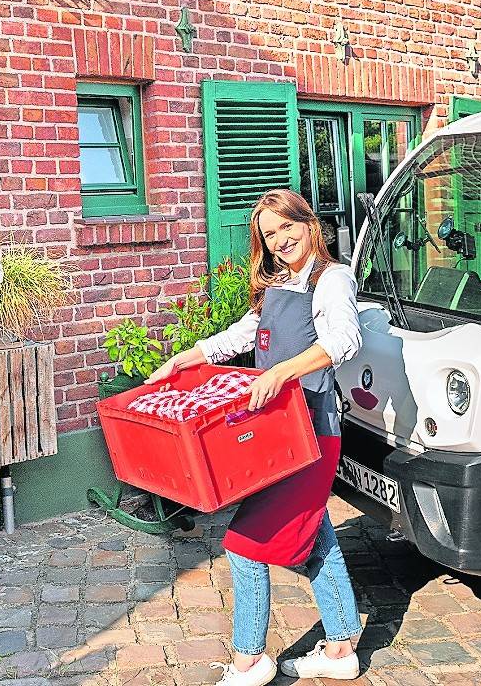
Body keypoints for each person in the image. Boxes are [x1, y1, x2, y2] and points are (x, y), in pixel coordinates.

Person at [146, 188, 364, 684]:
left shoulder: (333, 281)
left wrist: (282, 373)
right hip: (277, 438)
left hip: (312, 434)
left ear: (310, 224)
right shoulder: (276, 287)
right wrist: (187, 357)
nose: (281, 239)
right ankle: (339, 649)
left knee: (244, 544)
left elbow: (344, 340)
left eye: (288, 226)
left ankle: (249, 659)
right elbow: (241, 338)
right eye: (270, 234)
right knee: (316, 538)